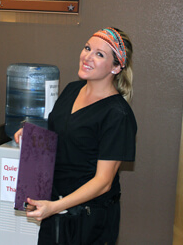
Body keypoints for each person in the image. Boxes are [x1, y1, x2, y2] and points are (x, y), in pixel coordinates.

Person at [14, 27, 137, 245]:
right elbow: (61, 140)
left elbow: (103, 183)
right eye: (87, 48)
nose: (87, 57)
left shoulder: (118, 114)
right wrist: (34, 138)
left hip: (89, 218)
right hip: (55, 208)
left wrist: (55, 207)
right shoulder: (72, 90)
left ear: (116, 67)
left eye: (100, 54)